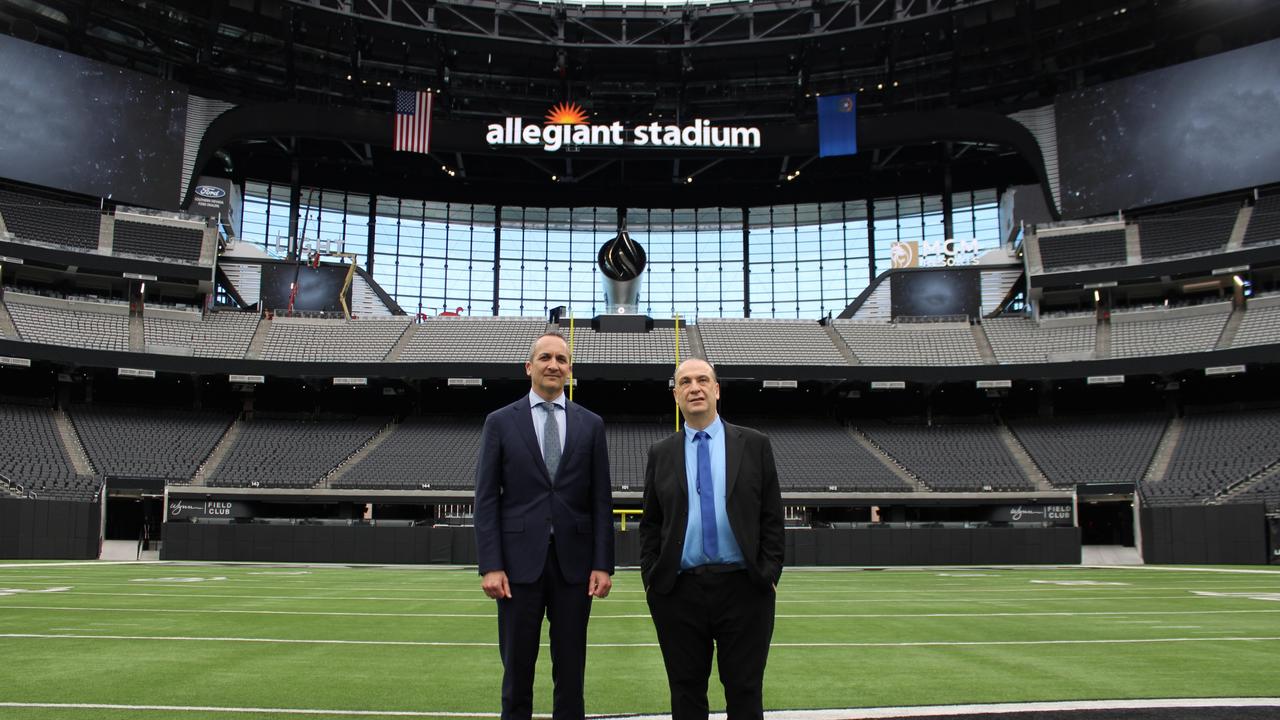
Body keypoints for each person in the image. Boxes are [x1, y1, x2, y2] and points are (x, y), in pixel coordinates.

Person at [474, 332, 615, 720]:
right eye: (546, 358)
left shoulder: (591, 424)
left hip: (575, 565)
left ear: (570, 370)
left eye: (562, 359)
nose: (554, 365)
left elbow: (601, 500)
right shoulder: (500, 422)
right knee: (517, 671)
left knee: (571, 673)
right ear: (529, 367)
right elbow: (486, 498)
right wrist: (491, 564)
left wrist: (603, 564)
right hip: (518, 567)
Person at [640, 358, 785, 720]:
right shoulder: (661, 453)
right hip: (679, 591)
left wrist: (768, 574)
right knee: (686, 693)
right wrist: (652, 579)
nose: (695, 387)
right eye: (685, 382)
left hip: (744, 588)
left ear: (716, 390)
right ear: (676, 395)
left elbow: (771, 516)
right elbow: (651, 523)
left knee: (745, 691)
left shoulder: (754, 444)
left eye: (703, 380)